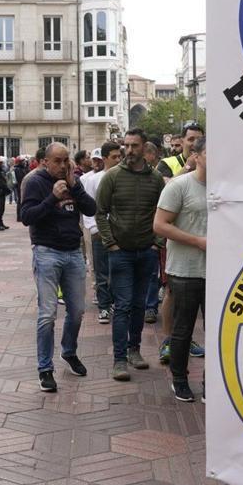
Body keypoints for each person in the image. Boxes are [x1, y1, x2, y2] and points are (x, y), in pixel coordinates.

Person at [20, 142, 97, 393]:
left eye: (66, 161)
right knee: (47, 314)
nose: (63, 166)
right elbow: (27, 217)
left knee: (76, 311)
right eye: (58, 161)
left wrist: (76, 188)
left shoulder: (74, 181)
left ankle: (69, 351)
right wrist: (53, 197)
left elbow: (91, 209)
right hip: (46, 252)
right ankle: (45, 368)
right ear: (46, 162)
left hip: (73, 252)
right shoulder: (35, 182)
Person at [96, 128, 165, 381]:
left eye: (135, 146)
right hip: (121, 253)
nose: (129, 150)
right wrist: (110, 243)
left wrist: (157, 243)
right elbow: (100, 212)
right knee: (123, 306)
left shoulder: (156, 179)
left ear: (144, 147)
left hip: (146, 252)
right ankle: (119, 359)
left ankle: (134, 350)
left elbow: (163, 211)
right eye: (126, 145)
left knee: (138, 305)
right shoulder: (112, 177)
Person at [152, 136, 208, 402]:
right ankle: (179, 379)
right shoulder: (179, 186)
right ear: (196, 156)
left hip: (220, 272)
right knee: (183, 329)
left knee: (217, 330)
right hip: (185, 271)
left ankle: (212, 381)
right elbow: (160, 225)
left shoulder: (228, 189)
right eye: (211, 153)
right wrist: (197, 241)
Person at [83, 142, 122, 325]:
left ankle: (115, 302)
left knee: (117, 269)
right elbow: (89, 207)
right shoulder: (92, 180)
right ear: (105, 159)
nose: (118, 160)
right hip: (99, 231)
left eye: (119, 156)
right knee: (101, 271)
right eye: (114, 157)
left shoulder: (123, 177)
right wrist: (94, 228)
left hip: (120, 232)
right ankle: (104, 306)